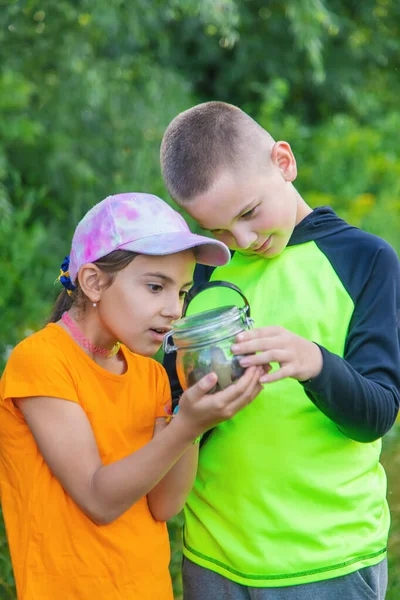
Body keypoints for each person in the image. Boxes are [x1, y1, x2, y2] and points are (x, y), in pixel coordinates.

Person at [160, 102, 400, 600]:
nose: (243, 240)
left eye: (248, 213)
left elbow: (377, 413)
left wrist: (315, 363)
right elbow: (168, 403)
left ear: (284, 162)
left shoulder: (366, 260)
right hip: (214, 557)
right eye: (219, 230)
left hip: (330, 559)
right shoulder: (198, 273)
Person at [0, 192, 263, 600]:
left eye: (181, 292)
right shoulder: (41, 361)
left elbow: (163, 505)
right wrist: (187, 425)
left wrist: (194, 419)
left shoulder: (151, 374)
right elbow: (98, 500)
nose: (174, 310)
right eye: (156, 287)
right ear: (93, 282)